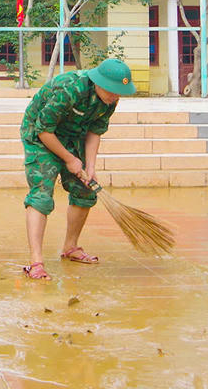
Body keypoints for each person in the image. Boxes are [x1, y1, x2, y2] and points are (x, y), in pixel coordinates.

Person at [20, 58, 136, 280]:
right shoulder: (70, 89)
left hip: (74, 136)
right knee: (41, 195)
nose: (116, 97)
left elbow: (95, 130)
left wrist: (90, 166)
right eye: (113, 91)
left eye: (120, 93)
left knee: (85, 190)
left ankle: (70, 247)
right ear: (99, 83)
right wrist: (69, 159)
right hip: (40, 135)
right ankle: (36, 262)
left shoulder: (110, 99)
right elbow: (44, 130)